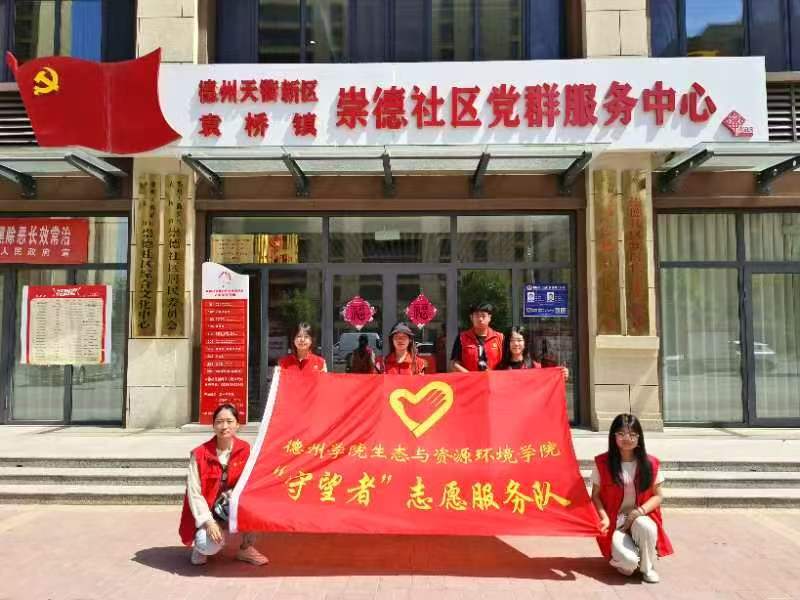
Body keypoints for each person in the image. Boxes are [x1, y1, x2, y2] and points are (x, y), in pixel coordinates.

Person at [178, 403, 269, 566]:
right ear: (213, 425)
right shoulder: (200, 454)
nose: (224, 426)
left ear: (237, 425)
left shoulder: (244, 449)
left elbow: (251, 483)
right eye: (219, 422)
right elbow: (194, 492)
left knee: (259, 505)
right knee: (207, 544)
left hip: (229, 505)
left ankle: (246, 548)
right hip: (208, 510)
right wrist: (209, 522)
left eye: (229, 421)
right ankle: (200, 547)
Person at [591, 414, 673, 583]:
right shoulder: (602, 463)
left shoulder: (650, 463)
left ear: (639, 437)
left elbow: (658, 496)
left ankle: (647, 568)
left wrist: (638, 512)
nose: (627, 439)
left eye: (632, 434)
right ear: (613, 436)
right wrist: (604, 518)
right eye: (621, 434)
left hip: (640, 517)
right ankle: (631, 559)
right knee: (628, 566)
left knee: (646, 526)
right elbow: (595, 496)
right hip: (616, 523)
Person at [498, 326, 569, 380]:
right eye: (512, 340)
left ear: (525, 343)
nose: (516, 344)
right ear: (508, 343)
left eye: (519, 340)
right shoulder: (500, 368)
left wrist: (562, 374)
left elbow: (548, 381)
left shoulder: (535, 367)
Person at [450, 302, 504, 372]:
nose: (480, 319)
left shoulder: (499, 338)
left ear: (489, 318)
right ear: (471, 317)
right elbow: (454, 364)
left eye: (483, 316)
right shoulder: (462, 338)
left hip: (494, 378)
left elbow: (506, 362)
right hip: (469, 378)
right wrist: (471, 376)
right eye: (477, 315)